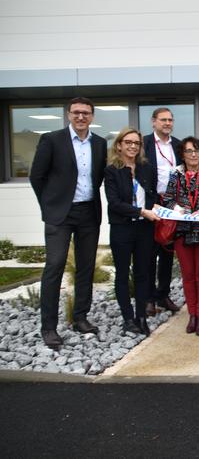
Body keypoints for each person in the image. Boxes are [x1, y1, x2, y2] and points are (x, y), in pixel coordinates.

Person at [30, 97, 108, 348]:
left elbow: (96, 179)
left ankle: (81, 317)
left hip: (88, 212)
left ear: (92, 117)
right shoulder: (52, 140)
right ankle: (49, 327)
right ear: (68, 115)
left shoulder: (99, 143)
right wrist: (50, 206)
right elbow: (37, 176)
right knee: (54, 266)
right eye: (76, 112)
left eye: (86, 113)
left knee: (85, 267)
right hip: (60, 215)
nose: (81, 117)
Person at [162, 137, 199, 336]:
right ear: (183, 155)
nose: (193, 154)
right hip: (182, 232)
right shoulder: (175, 176)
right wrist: (178, 208)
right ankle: (192, 315)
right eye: (189, 151)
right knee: (188, 277)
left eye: (196, 150)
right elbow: (168, 199)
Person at [104, 128, 160, 336]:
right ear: (119, 145)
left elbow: (152, 195)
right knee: (121, 273)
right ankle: (128, 318)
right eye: (128, 142)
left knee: (143, 272)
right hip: (122, 228)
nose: (133, 146)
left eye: (136, 143)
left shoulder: (146, 168)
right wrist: (141, 211)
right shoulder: (112, 170)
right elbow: (115, 203)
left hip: (144, 228)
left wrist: (152, 210)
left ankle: (141, 317)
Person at [143, 107, 181, 316]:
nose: (167, 123)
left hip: (172, 204)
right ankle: (149, 298)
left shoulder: (177, 145)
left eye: (170, 120)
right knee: (150, 252)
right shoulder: (145, 144)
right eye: (163, 120)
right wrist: (149, 203)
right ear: (153, 122)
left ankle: (163, 294)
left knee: (168, 251)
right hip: (152, 203)